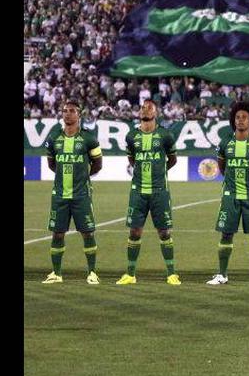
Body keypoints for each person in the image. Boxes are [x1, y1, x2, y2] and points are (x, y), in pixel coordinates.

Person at [205, 102, 249, 286]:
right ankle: (222, 275)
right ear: (233, 120)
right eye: (237, 117)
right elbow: (222, 166)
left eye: (244, 117)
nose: (240, 120)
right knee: (226, 234)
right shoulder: (225, 142)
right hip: (231, 195)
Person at [116, 100, 180, 285]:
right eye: (143, 107)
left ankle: (171, 274)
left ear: (156, 112)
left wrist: (160, 171)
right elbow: (132, 159)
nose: (145, 109)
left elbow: (173, 159)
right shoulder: (131, 136)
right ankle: (130, 274)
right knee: (134, 232)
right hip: (138, 191)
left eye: (149, 107)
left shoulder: (165, 135)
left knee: (164, 233)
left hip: (160, 191)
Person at [42, 100, 103, 284]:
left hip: (81, 195)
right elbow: (52, 164)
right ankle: (56, 273)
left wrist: (83, 176)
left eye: (72, 111)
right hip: (60, 195)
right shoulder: (53, 138)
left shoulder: (89, 139)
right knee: (57, 234)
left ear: (79, 115)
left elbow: (98, 164)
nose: (67, 114)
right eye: (65, 111)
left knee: (88, 233)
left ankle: (92, 272)